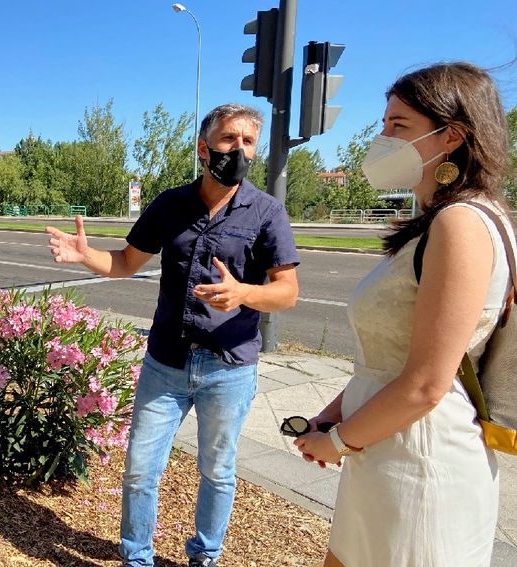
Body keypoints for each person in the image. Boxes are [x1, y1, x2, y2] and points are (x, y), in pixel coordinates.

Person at [46, 103, 300, 567]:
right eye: (229, 140)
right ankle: (137, 558)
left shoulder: (266, 212)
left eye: (247, 142)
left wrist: (243, 292)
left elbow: (287, 292)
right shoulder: (169, 205)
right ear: (204, 149)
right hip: (166, 363)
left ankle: (205, 556)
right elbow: (124, 263)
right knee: (141, 470)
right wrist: (86, 255)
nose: (238, 149)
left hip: (229, 367)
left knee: (218, 471)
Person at [293, 62, 515, 566]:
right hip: (388, 448)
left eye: (399, 126)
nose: (382, 138)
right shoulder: (442, 220)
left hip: (420, 465)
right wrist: (333, 416)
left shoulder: (461, 223)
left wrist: (340, 442)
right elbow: (392, 359)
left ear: (452, 137)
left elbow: (425, 382)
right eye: (383, 123)